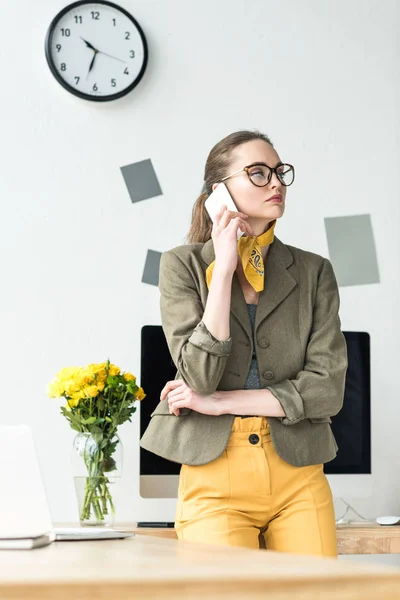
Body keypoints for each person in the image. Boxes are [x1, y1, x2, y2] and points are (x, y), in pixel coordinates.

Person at [140, 129, 348, 557]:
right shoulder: (181, 266)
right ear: (219, 192)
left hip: (299, 469)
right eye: (257, 173)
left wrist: (222, 402)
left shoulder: (314, 271)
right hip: (214, 471)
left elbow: (327, 390)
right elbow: (198, 377)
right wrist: (224, 264)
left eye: (278, 172)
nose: (275, 183)